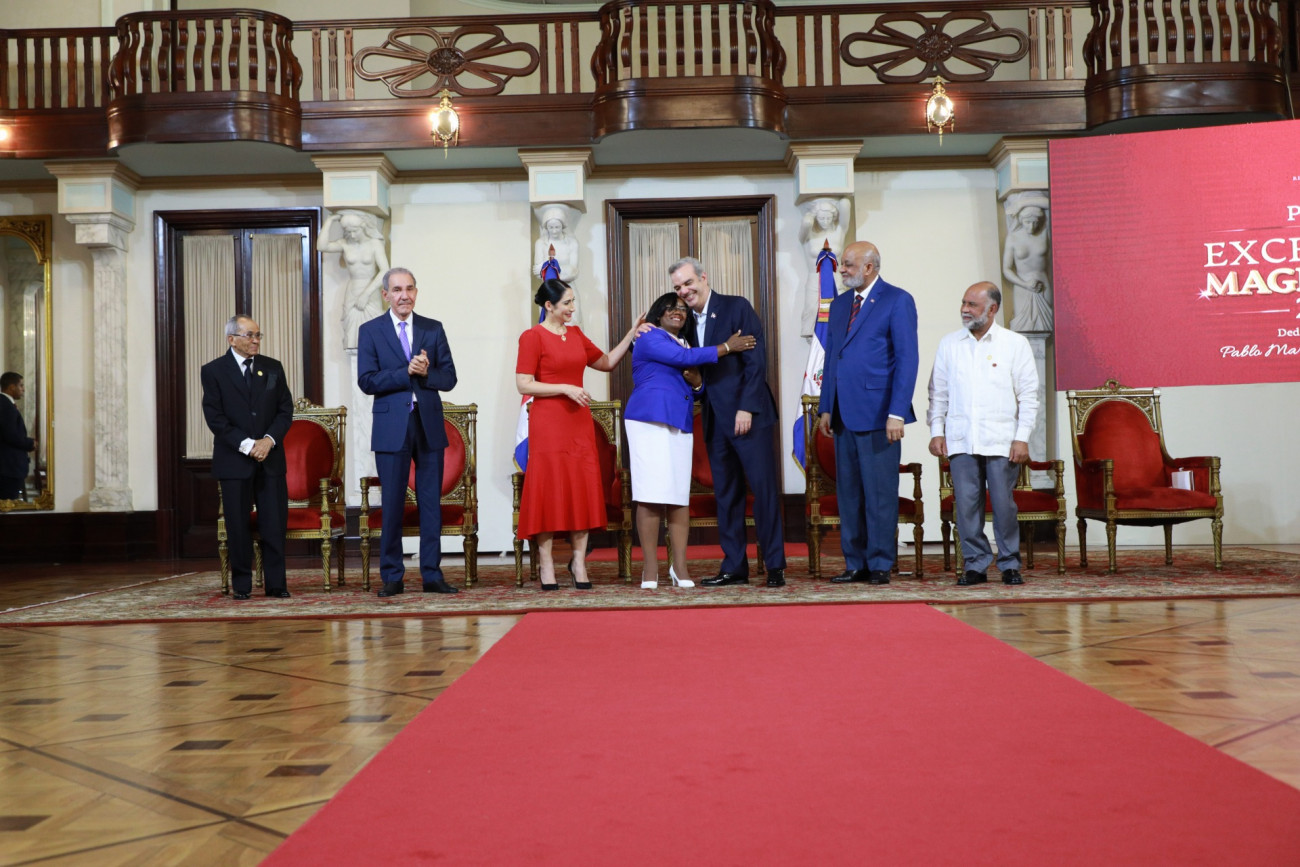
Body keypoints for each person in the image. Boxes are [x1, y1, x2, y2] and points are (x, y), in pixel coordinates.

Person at [515, 278, 642, 590]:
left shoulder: (576, 334)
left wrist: (631, 334)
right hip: (548, 423)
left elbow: (607, 362)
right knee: (548, 489)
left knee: (580, 487)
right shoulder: (532, 337)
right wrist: (565, 388)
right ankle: (546, 564)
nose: (572, 308)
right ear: (549, 306)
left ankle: (579, 562)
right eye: (567, 303)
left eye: (573, 301)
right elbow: (524, 383)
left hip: (577, 422)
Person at [625, 292, 756, 589]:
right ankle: (649, 568)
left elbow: (694, 385)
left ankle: (680, 567)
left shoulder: (685, 342)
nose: (678, 312)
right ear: (658, 313)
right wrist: (727, 347)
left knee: (678, 496)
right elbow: (683, 360)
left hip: (679, 421)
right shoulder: (649, 337)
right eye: (671, 308)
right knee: (650, 494)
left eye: (683, 309)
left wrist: (697, 383)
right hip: (648, 420)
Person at [671, 256, 786, 588]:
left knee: (764, 491)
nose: (684, 291)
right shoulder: (685, 322)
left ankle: (775, 566)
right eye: (678, 287)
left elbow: (755, 361)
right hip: (714, 419)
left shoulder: (737, 307)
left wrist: (746, 407)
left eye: (688, 283)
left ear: (703, 278)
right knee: (727, 495)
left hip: (749, 417)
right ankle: (734, 566)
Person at [817, 241, 919, 585]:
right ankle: (855, 563)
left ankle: (879, 563)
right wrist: (826, 406)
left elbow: (907, 360)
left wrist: (897, 413)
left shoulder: (897, 300)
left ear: (869, 267)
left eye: (848, 264)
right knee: (849, 495)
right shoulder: (841, 303)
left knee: (879, 494)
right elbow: (833, 357)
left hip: (879, 415)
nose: (842, 270)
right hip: (843, 414)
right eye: (843, 264)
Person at [928, 281, 1039, 586]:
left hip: (1002, 440)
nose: (964, 309)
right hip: (961, 438)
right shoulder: (950, 343)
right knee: (966, 506)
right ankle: (975, 564)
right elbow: (938, 393)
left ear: (992, 309)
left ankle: (1009, 564)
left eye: (972, 305)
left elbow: (1029, 395)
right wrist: (936, 431)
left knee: (1003, 505)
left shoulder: (1014, 343)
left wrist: (1022, 437)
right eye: (963, 303)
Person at [357, 267, 459, 597]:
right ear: (385, 295)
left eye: (410, 289)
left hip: (427, 424)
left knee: (430, 503)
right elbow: (367, 380)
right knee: (392, 502)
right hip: (391, 427)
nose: (405, 295)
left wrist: (426, 373)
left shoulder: (433, 328)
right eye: (398, 290)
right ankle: (392, 576)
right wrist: (406, 372)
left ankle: (432, 574)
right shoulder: (370, 330)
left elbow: (449, 378)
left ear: (416, 292)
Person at [200, 317, 295, 600]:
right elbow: (215, 417)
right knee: (238, 526)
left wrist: (268, 441)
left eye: (258, 335)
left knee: (274, 524)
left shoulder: (273, 367)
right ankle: (242, 585)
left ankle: (276, 584)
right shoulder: (213, 371)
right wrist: (248, 445)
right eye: (249, 335)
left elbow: (285, 410)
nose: (255, 340)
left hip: (270, 459)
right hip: (234, 460)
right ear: (231, 339)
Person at [319, 211, 390, 351]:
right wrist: (329, 221)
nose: (351, 235)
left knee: (375, 333)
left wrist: (366, 294)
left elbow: (385, 271)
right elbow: (321, 246)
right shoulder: (345, 244)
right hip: (352, 291)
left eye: (354, 231)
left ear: (363, 226)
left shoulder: (375, 244)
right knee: (352, 336)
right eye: (348, 232)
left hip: (370, 292)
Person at [798, 197, 850, 338]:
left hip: (836, 279)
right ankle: (813, 340)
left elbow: (846, 204)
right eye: (821, 218)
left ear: (834, 217)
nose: (825, 221)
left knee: (840, 313)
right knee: (811, 310)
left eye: (828, 218)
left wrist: (841, 199)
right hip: (815, 279)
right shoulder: (809, 235)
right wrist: (810, 215)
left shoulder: (839, 231)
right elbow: (806, 224)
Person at [1002, 203, 1054, 332]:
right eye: (1027, 222)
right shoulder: (1013, 237)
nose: (1032, 226)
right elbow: (1006, 269)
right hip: (1022, 286)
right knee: (1023, 327)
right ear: (1021, 220)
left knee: (1048, 325)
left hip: (1043, 285)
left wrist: (1022, 204)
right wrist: (1025, 284)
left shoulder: (1045, 232)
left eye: (1035, 222)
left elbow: (1049, 203)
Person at [0, 371, 35, 500]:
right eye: (21, 385)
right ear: (11, 387)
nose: (23, 389)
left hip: (7, 467)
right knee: (8, 505)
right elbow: (10, 435)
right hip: (8, 467)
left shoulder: (5, 403)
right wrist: (30, 443)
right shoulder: (5, 405)